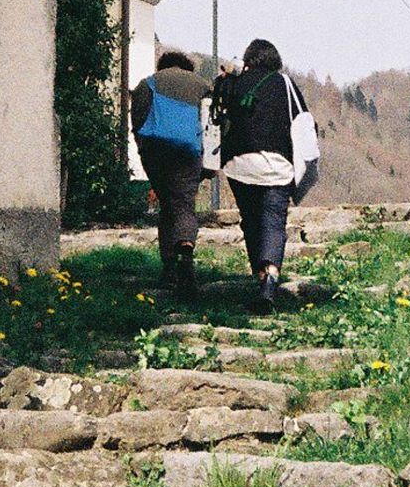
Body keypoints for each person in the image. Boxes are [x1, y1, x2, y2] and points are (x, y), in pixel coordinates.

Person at [215, 38, 312, 313]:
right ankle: (269, 280)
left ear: (248, 59)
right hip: (278, 165)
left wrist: (228, 75)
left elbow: (216, 107)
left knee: (251, 220)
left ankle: (259, 275)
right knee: (273, 221)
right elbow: (302, 118)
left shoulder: (234, 83)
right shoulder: (285, 84)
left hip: (240, 163)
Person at [130, 50, 214, 300]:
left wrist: (143, 149)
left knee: (167, 205)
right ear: (187, 67)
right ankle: (185, 252)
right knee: (184, 205)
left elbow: (138, 121)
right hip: (189, 152)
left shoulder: (148, 83)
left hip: (156, 152)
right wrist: (209, 162)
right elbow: (214, 124)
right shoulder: (201, 85)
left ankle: (168, 268)